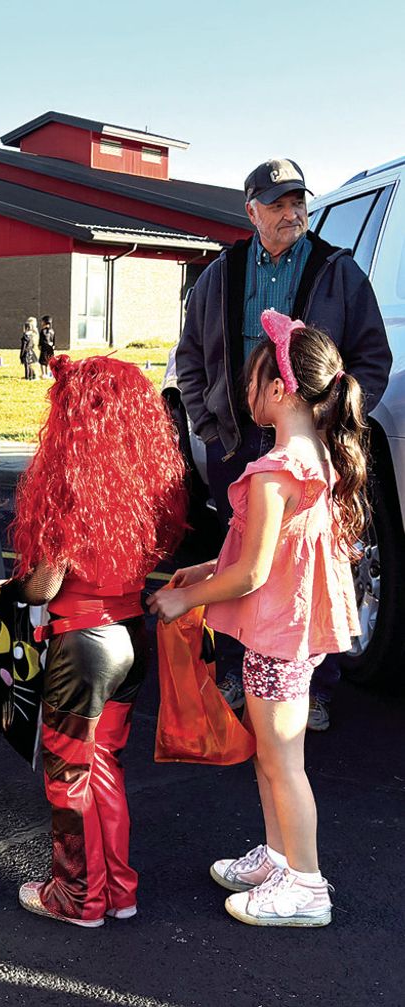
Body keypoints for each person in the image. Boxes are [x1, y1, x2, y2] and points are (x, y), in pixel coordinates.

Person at [150, 310, 364, 927]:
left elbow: (253, 574)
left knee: (281, 759)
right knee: (271, 754)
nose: (244, 393)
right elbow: (255, 556)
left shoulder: (275, 471)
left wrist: (184, 599)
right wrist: (202, 574)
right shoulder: (310, 457)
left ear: (278, 388)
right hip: (285, 633)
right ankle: (279, 856)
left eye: (251, 380)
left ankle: (306, 883)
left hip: (276, 637)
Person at [175, 158, 390, 730]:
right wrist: (210, 425)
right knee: (237, 556)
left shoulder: (337, 271)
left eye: (298, 201)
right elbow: (190, 358)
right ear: (252, 211)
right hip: (237, 441)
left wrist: (333, 422)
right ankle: (240, 673)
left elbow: (373, 358)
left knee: (311, 562)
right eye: (278, 204)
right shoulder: (221, 273)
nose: (292, 213)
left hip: (306, 445)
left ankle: (313, 685)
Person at [12, 355, 188, 927]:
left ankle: (77, 896)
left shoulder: (73, 485)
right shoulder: (148, 481)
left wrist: (18, 584)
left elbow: (46, 581)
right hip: (129, 639)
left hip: (80, 645)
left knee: (69, 775)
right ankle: (118, 890)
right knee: (105, 765)